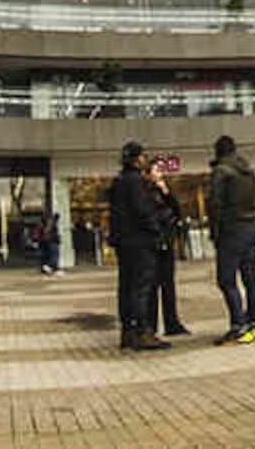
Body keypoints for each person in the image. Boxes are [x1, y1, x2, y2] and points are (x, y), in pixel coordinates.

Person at [110, 141, 168, 351]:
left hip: (123, 242)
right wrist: (156, 230)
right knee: (141, 287)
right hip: (139, 241)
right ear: (136, 159)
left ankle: (127, 331)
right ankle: (142, 331)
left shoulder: (119, 182)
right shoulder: (136, 182)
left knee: (126, 285)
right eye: (143, 156)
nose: (145, 159)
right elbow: (143, 211)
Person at [209, 134, 255, 345]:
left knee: (226, 280)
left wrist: (215, 233)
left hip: (231, 230)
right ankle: (253, 322)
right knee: (250, 278)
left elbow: (215, 204)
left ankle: (238, 325)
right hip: (251, 227)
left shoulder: (221, 171)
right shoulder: (247, 170)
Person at [145, 161, 190, 336]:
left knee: (168, 284)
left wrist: (166, 192)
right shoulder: (144, 191)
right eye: (156, 169)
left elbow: (177, 211)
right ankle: (151, 324)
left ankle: (172, 322)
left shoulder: (164, 191)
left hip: (167, 241)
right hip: (153, 243)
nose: (160, 173)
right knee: (152, 285)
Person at [38, 211, 62, 275]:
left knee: (48, 255)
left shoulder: (47, 222)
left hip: (47, 241)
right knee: (54, 255)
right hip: (52, 241)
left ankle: (54, 269)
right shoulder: (51, 222)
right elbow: (47, 231)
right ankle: (49, 266)